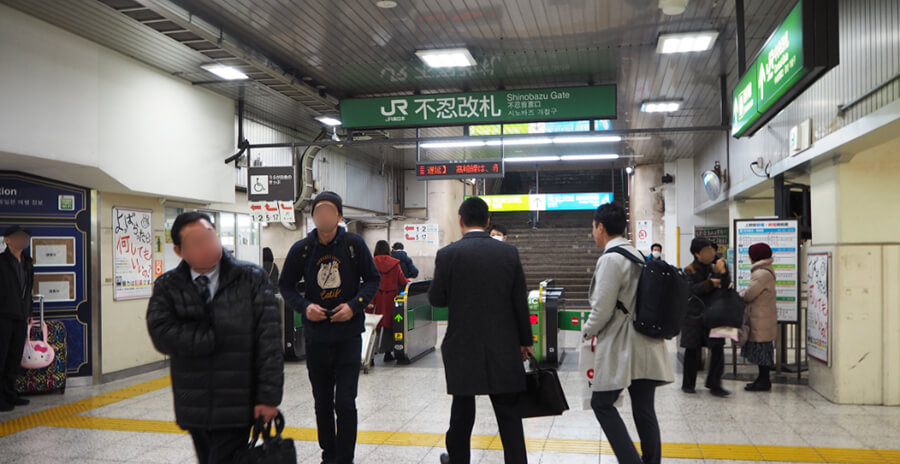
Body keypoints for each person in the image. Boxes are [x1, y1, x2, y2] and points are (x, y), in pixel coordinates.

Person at [146, 212, 283, 463]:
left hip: (238, 401)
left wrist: (268, 398)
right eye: (196, 242)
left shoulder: (250, 278)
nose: (208, 246)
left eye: (210, 237)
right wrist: (210, 337)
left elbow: (270, 343)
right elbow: (161, 333)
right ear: (179, 250)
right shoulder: (169, 286)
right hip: (194, 401)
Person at [428, 197, 533, 464]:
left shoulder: (448, 254)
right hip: (504, 345)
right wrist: (525, 341)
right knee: (509, 416)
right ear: (487, 222)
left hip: (463, 346)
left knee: (462, 413)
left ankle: (458, 460)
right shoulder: (508, 253)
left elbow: (437, 299)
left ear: (461, 220)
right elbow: (520, 302)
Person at [279, 191, 380, 464]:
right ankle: (329, 454)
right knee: (322, 402)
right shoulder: (302, 249)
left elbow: (372, 279)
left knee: (345, 402)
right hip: (317, 338)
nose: (323, 216)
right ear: (312, 216)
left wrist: (354, 305)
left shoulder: (353, 244)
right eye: (318, 211)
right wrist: (304, 307)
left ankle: (345, 458)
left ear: (339, 216)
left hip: (348, 337)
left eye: (329, 210)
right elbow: (285, 285)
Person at [582, 204, 674, 464]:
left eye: (593, 228)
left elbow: (602, 309)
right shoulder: (638, 255)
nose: (593, 233)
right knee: (644, 410)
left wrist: (586, 332)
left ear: (601, 227)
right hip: (647, 343)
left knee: (601, 403)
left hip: (624, 344)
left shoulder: (611, 259)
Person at [681, 237, 731, 397]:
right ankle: (688, 384)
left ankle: (715, 383)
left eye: (712, 250)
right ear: (697, 254)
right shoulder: (689, 269)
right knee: (692, 349)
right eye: (707, 251)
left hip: (717, 313)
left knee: (718, 348)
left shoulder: (717, 267)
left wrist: (723, 272)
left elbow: (726, 286)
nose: (712, 253)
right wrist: (710, 284)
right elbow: (689, 290)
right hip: (695, 315)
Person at [0, 226, 34, 412]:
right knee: (2, 357)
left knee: (14, 358)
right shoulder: (2, 261)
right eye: (19, 236)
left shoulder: (27, 261)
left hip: (21, 317)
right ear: (7, 240)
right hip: (3, 316)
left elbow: (29, 290)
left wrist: (29, 312)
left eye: (25, 237)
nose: (23, 240)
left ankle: (10, 393)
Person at [740, 243, 777, 392]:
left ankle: (763, 381)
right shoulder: (766, 271)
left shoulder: (761, 273)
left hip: (760, 318)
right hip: (763, 316)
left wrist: (740, 294)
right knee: (764, 350)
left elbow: (750, 294)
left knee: (762, 351)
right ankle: (762, 379)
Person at [370, 240, 408, 363]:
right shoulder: (395, 264)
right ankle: (387, 353)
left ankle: (370, 355)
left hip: (375, 297)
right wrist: (411, 282)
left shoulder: (371, 262)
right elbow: (402, 281)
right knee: (390, 326)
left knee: (372, 325)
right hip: (391, 298)